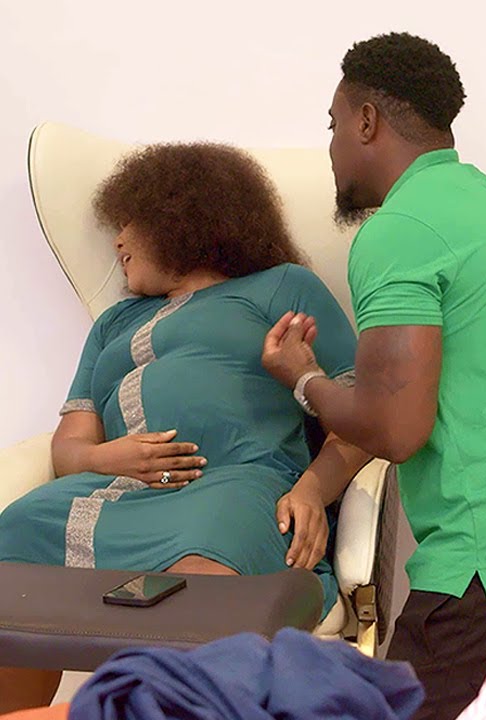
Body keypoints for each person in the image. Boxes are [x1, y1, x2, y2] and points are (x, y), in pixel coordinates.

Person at [259, 33, 486, 719]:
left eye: (334, 126)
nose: (331, 148)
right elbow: (437, 393)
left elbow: (395, 426)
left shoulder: (401, 232)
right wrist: (316, 482)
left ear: (367, 121)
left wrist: (303, 378)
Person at [0, 143, 369, 712]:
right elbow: (69, 445)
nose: (117, 242)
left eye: (128, 224)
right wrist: (105, 457)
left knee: (200, 573)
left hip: (240, 484)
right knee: (16, 535)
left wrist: (313, 491)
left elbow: (360, 414)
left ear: (180, 221)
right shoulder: (112, 325)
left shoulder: (280, 287)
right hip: (112, 492)